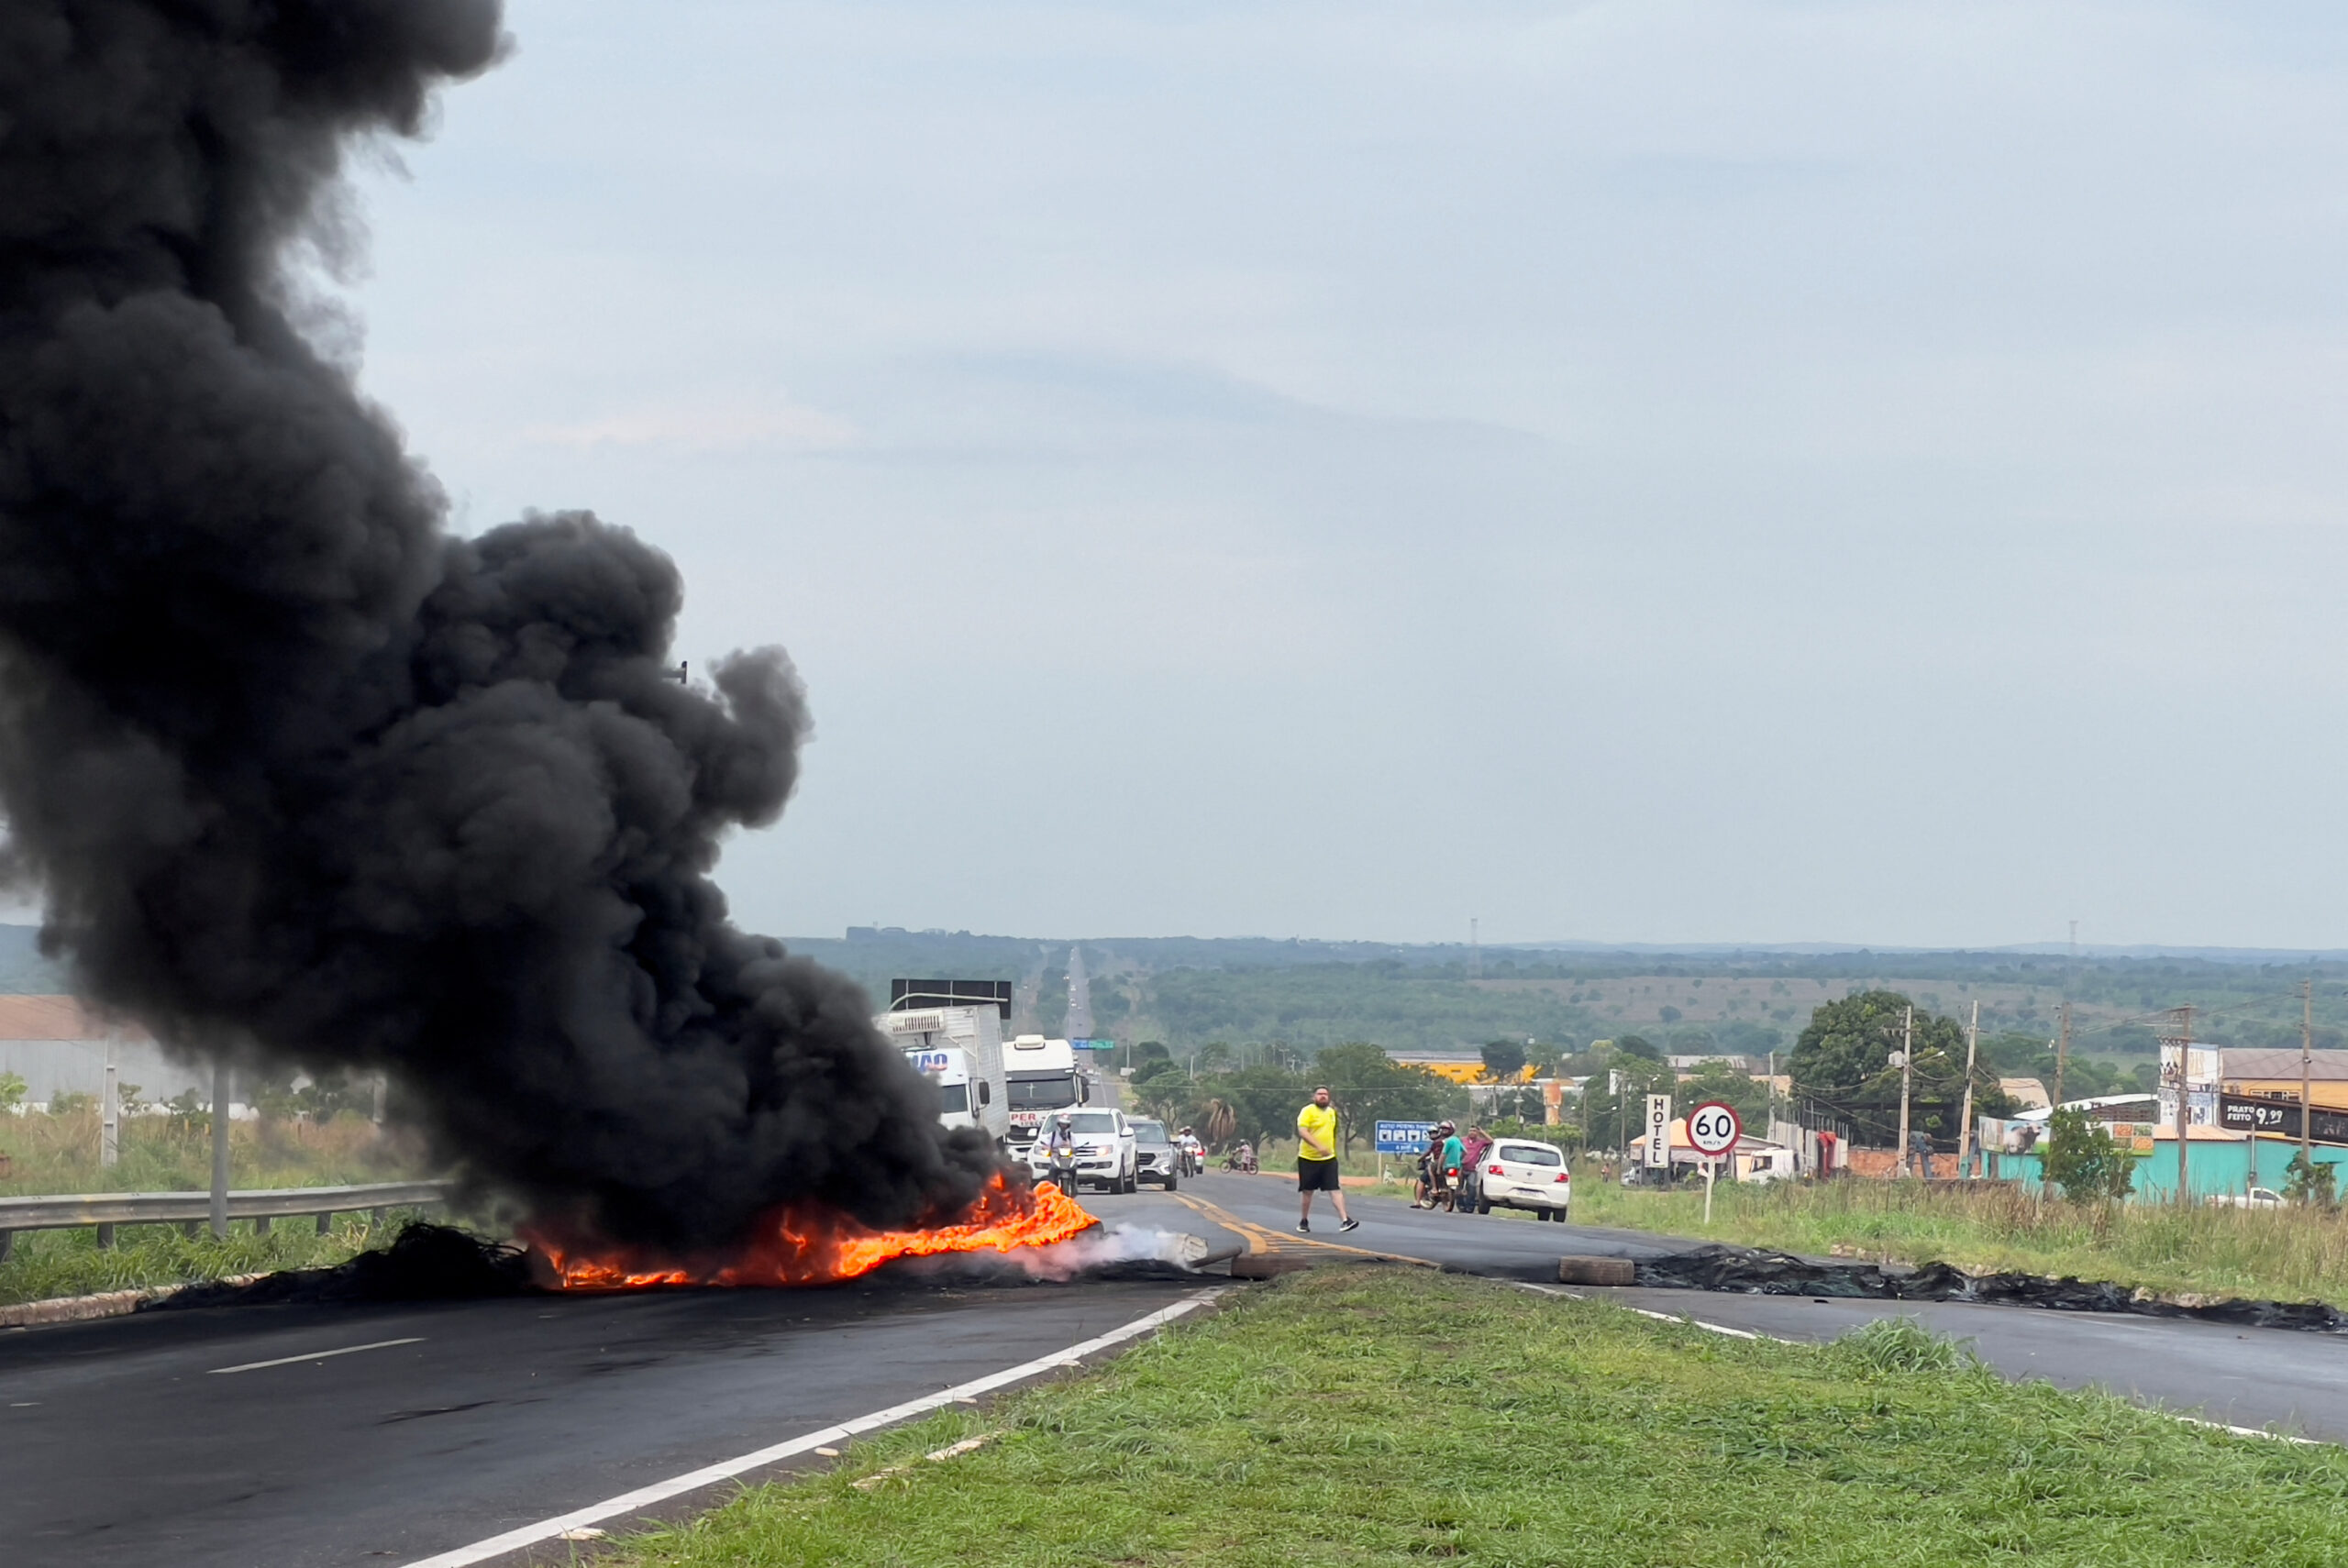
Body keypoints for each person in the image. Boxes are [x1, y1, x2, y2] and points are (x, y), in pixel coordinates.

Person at [1295, 1086, 1357, 1232]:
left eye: (1325, 1094)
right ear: (1314, 1096)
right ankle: (1304, 1221)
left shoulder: (1331, 1113)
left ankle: (1345, 1220)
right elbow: (1302, 1132)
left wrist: (1328, 1149)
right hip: (1308, 1158)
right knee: (1307, 1191)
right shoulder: (1307, 1111)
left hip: (1328, 1158)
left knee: (1334, 1188)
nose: (1323, 1096)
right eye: (1319, 1094)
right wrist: (1318, 1146)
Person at [1457, 1124, 1493, 1213]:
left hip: (1472, 1169)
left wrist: (1482, 1132)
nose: (1472, 1133)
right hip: (1460, 1167)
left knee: (1472, 1188)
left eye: (1474, 1131)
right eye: (1470, 1131)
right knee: (1458, 1187)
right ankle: (1460, 1205)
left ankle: (1470, 1207)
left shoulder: (1480, 1142)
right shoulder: (1462, 1140)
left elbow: (1492, 1141)